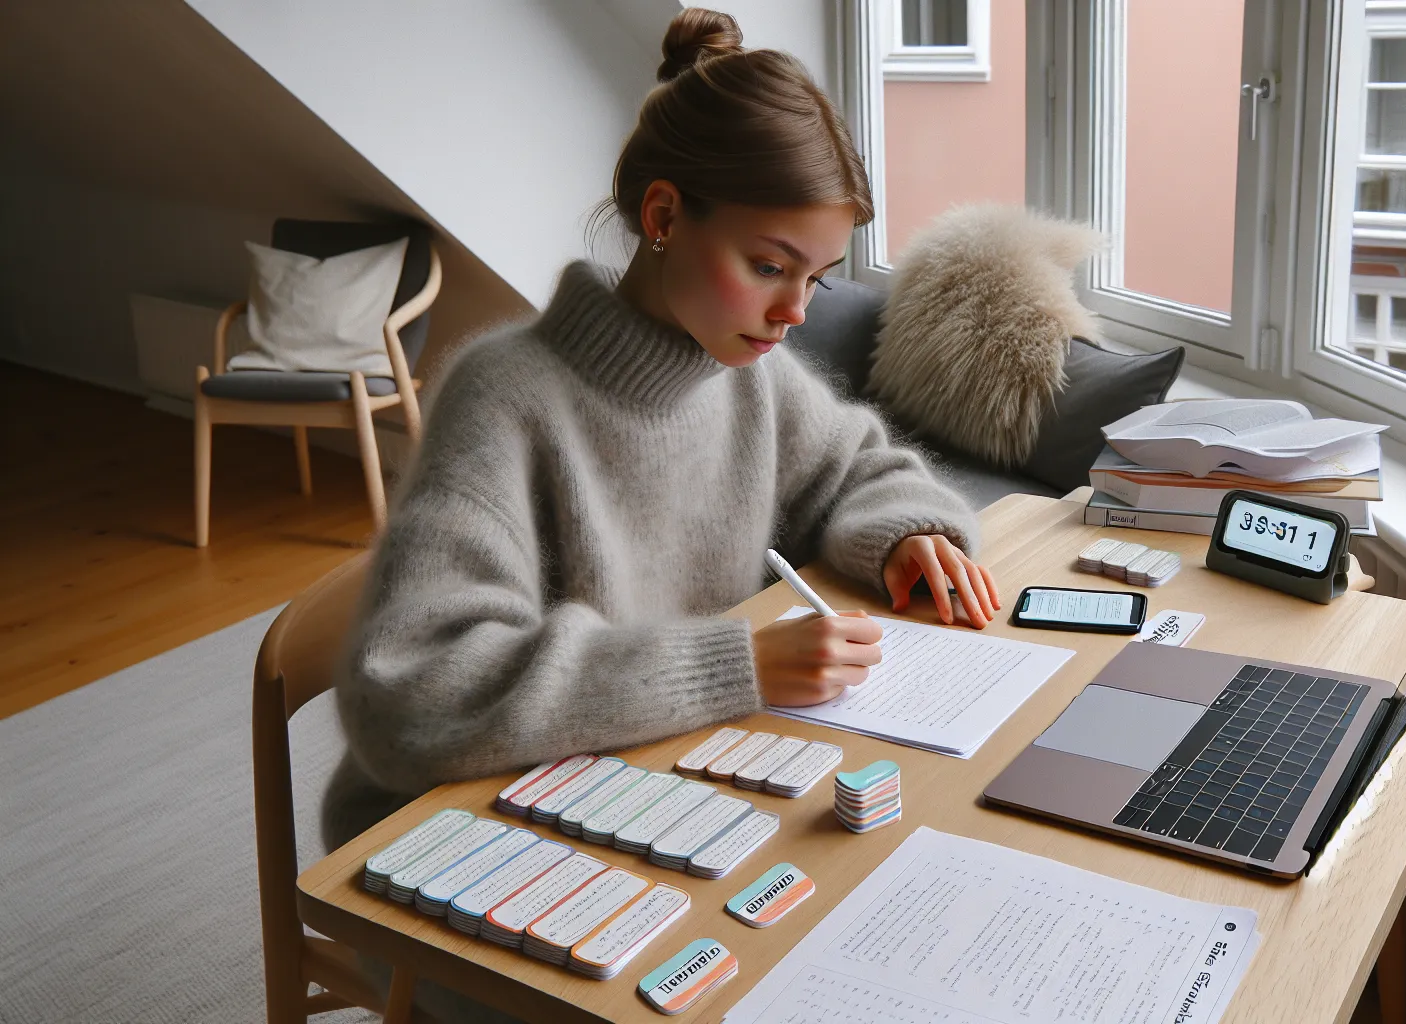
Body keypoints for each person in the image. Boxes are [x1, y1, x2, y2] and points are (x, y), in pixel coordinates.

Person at [323, 8, 1000, 858]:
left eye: (816, 280)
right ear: (665, 215)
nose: (793, 311)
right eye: (768, 266)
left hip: (667, 783)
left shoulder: (745, 375)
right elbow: (407, 700)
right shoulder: (502, 399)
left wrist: (906, 535)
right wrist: (731, 665)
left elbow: (864, 467)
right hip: (469, 830)